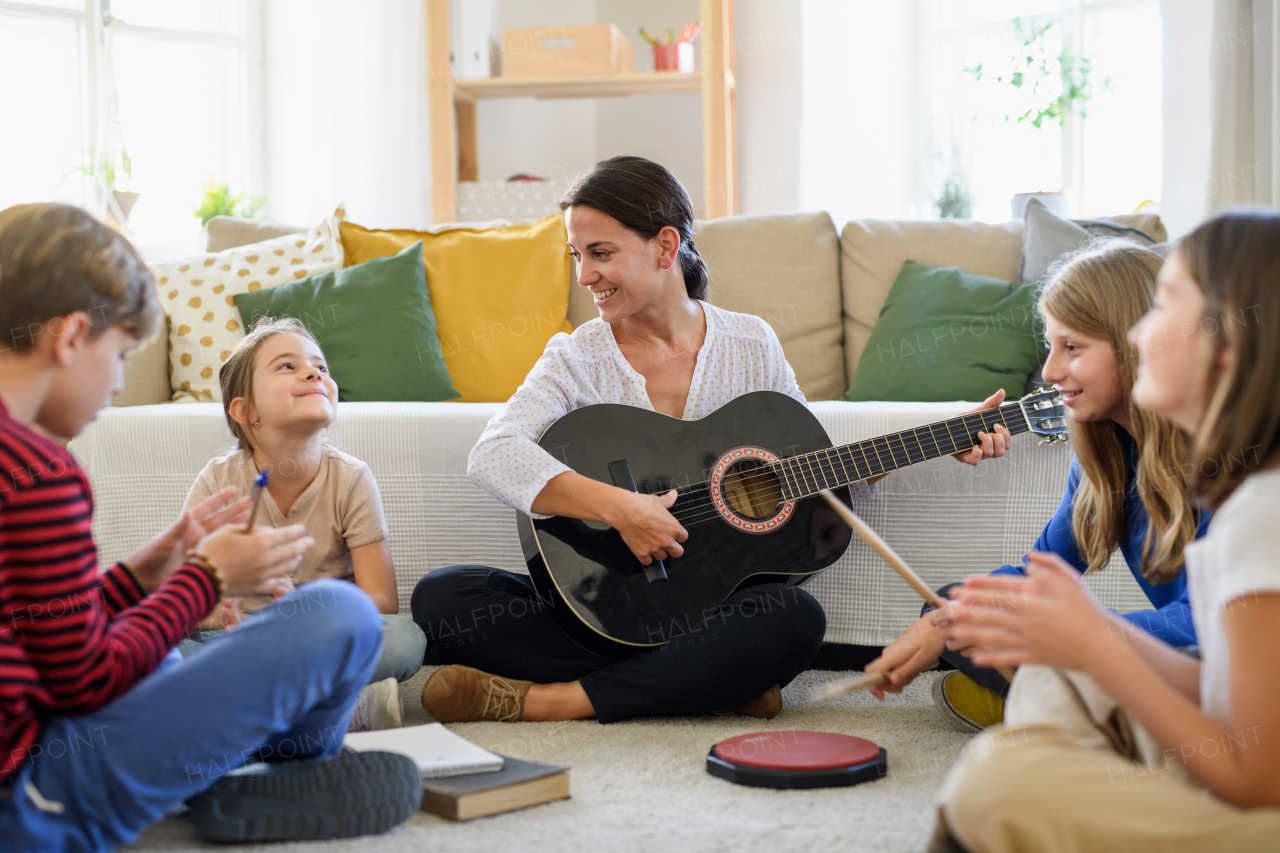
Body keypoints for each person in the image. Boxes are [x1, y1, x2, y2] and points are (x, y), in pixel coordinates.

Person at [410, 155, 1009, 725]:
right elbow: (493, 452)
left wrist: (938, 441)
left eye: (600, 253)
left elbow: (806, 470)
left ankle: (553, 701)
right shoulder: (575, 356)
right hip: (607, 604)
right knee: (443, 597)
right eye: (576, 254)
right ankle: (706, 681)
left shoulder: (752, 344)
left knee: (793, 620)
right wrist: (623, 509)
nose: (583, 275)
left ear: (666, 247)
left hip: (712, 610)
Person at [0, 203, 420, 850]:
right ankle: (257, 772)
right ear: (69, 337)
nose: (116, 385)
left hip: (34, 743)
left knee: (166, 652)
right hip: (35, 794)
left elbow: (44, 631)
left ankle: (219, 768)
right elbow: (85, 677)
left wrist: (146, 572)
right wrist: (205, 578)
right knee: (342, 616)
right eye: (118, 356)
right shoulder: (41, 470)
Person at [928, 212, 1280, 853]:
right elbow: (1225, 690)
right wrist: (955, 617)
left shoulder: (1261, 510)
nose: (1141, 331)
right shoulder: (1206, 487)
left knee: (994, 781)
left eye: (1162, 306)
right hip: (1233, 738)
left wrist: (1095, 638)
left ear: (1224, 344)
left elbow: (1256, 767)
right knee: (1035, 665)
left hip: (1256, 783)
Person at [866, 240, 1206, 732]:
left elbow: (1219, 628)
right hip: (1172, 652)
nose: (1048, 372)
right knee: (958, 604)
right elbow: (1039, 572)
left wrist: (1080, 631)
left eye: (1072, 347)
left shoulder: (1223, 460)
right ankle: (1060, 706)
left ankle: (1052, 710)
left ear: (1140, 343)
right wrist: (948, 619)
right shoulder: (1102, 460)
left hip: (1225, 658)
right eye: (1051, 345)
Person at [182, 316, 427, 730]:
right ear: (246, 410)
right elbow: (185, 598)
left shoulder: (351, 479)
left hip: (320, 638)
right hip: (241, 639)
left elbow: (381, 601)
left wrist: (302, 621)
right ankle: (328, 706)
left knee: (404, 639)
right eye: (287, 366)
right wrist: (226, 615)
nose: (314, 372)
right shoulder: (218, 482)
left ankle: (256, 709)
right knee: (172, 652)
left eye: (321, 367)